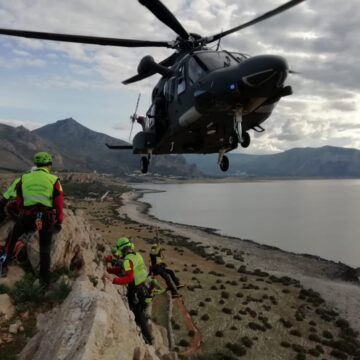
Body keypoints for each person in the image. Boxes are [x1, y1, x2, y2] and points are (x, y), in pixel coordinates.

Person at [1, 152, 63, 286]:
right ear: (49, 165)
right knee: (44, 250)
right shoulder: (54, 180)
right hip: (44, 218)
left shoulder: (24, 177)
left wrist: (23, 212)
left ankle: (3, 265)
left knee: (12, 239)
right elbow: (58, 204)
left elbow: (19, 200)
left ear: (36, 164)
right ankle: (44, 282)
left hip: (27, 216)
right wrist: (59, 220)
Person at [104, 237, 153, 344]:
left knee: (138, 317)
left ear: (122, 249)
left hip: (135, 291)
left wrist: (113, 280)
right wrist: (109, 270)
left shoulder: (127, 260)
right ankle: (147, 337)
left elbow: (129, 277)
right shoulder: (136, 255)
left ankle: (148, 341)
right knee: (141, 315)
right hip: (144, 289)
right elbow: (123, 270)